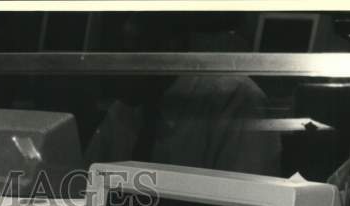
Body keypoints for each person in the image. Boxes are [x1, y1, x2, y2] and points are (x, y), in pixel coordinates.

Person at [84, 13, 282, 176]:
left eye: (127, 54)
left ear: (170, 47)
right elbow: (82, 189)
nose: (113, 70)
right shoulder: (126, 108)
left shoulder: (236, 101)